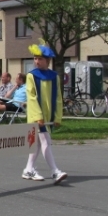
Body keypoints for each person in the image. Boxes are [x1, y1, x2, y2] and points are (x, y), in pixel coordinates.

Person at [21, 42, 68, 184]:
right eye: (35, 58)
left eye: (40, 58)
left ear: (47, 60)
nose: (36, 61)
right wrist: (38, 116)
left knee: (37, 144)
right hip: (37, 116)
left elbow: (59, 98)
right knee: (46, 141)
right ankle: (55, 171)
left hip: (48, 116)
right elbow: (32, 97)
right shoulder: (31, 76)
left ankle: (28, 169)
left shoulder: (54, 76)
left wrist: (58, 116)